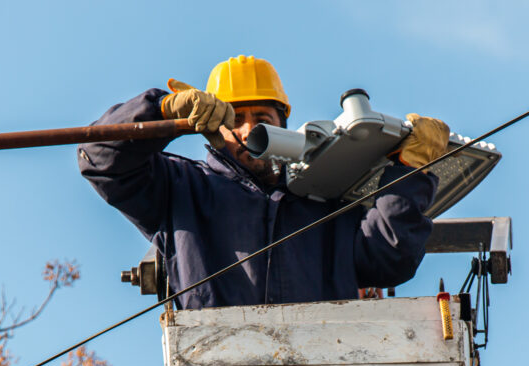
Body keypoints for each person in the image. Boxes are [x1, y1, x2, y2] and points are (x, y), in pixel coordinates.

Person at [78, 55, 450, 310]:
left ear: (282, 125)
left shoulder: (325, 197)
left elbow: (389, 258)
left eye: (262, 116)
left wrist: (407, 171)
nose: (249, 128)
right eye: (235, 117)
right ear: (209, 128)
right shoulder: (181, 189)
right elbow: (100, 159)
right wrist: (159, 111)